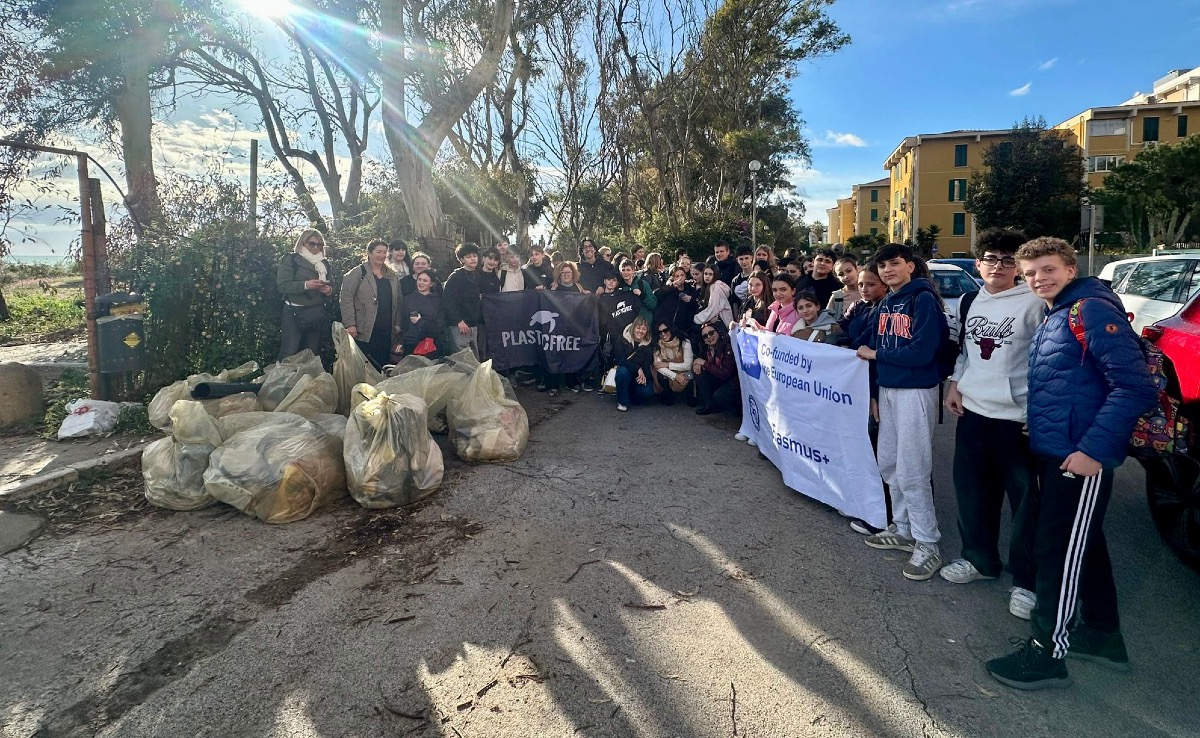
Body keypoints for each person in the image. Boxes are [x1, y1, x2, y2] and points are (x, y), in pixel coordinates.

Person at [985, 237, 1157, 691]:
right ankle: (1102, 636)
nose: (1038, 278)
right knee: (1086, 545)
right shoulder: (1058, 310)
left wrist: (1092, 452)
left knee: (1057, 552)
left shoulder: (1091, 311)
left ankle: (1047, 653)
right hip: (1058, 449)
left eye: (1047, 269)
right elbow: (1067, 383)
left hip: (1079, 457)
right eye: (1030, 273)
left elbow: (1134, 388)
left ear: (1069, 266)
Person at [939, 229, 1044, 623]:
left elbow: (1046, 362)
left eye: (1006, 260)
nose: (997, 267)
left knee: (1025, 504)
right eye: (990, 259)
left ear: (1017, 266)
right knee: (972, 492)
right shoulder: (969, 300)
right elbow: (965, 351)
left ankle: (1026, 580)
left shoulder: (1035, 303)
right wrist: (955, 383)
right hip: (974, 413)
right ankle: (979, 559)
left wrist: (1040, 410)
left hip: (1017, 419)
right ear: (978, 263)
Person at [854, 243, 947, 582]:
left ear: (910, 266)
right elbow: (864, 345)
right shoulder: (886, 303)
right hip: (890, 390)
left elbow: (922, 352)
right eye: (883, 266)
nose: (888, 270)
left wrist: (876, 356)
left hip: (916, 390)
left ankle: (927, 542)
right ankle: (903, 528)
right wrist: (876, 392)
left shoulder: (923, 299)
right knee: (889, 461)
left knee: (913, 468)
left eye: (895, 263)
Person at [340, 238, 404, 370]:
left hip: (386, 328)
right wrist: (350, 324)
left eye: (384, 252)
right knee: (364, 364)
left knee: (382, 363)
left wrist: (397, 324)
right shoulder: (358, 273)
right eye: (378, 252)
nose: (382, 255)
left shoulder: (392, 276)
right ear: (369, 253)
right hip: (364, 328)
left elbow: (399, 300)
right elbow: (346, 297)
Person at [276, 228, 334, 360]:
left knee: (312, 353)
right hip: (294, 312)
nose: (315, 247)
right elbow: (282, 285)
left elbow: (333, 286)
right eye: (312, 243)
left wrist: (328, 290)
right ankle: (281, 380)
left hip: (316, 312)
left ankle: (309, 381)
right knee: (289, 351)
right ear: (302, 243)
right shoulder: (291, 259)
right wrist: (306, 285)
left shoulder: (324, 263)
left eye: (319, 245)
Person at [544, 261, 587, 396]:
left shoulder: (579, 287)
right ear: (559, 274)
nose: (566, 275)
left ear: (573, 274)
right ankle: (553, 385)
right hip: (557, 327)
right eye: (563, 273)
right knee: (554, 354)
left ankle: (572, 382)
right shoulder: (554, 287)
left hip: (573, 327)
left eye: (569, 272)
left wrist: (587, 296)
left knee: (572, 354)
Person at [442, 243, 485, 358]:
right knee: (461, 359)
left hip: (473, 325)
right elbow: (448, 301)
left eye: (474, 256)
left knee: (475, 358)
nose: (472, 259)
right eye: (468, 256)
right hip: (459, 326)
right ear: (462, 259)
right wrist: (458, 321)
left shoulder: (477, 275)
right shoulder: (455, 276)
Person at [400, 270, 450, 359]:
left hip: (432, 344)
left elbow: (439, 325)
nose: (421, 283)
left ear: (431, 284)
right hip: (411, 342)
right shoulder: (407, 299)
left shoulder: (438, 301)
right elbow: (403, 324)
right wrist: (401, 342)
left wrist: (420, 321)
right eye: (419, 279)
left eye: (425, 280)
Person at [693, 321, 739, 416]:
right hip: (718, 376)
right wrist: (697, 363)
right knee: (698, 372)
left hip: (732, 382)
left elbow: (726, 373)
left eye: (711, 333)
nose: (709, 337)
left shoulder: (727, 346)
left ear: (717, 332)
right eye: (705, 336)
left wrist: (704, 363)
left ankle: (735, 408)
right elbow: (701, 360)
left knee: (719, 396)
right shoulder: (706, 348)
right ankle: (709, 405)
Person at [612, 315, 655, 412]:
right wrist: (637, 369)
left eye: (644, 329)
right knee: (622, 372)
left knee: (647, 392)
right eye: (638, 327)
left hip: (638, 376)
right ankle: (622, 402)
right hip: (626, 371)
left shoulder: (648, 343)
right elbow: (620, 359)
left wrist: (643, 377)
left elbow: (648, 363)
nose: (640, 331)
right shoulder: (623, 338)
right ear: (633, 327)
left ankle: (628, 394)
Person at [651, 322, 693, 405]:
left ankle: (691, 394)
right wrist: (676, 376)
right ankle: (668, 393)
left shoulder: (684, 342)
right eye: (660, 332)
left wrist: (667, 365)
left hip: (685, 371)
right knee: (659, 374)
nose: (663, 334)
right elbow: (658, 365)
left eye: (665, 330)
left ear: (671, 329)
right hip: (670, 374)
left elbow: (688, 365)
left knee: (691, 374)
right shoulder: (658, 345)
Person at [653, 266, 699, 339]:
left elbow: (695, 306)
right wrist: (671, 286)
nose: (680, 278)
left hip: (685, 328)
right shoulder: (669, 289)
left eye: (682, 275)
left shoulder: (691, 290)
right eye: (677, 276)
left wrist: (690, 300)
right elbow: (656, 294)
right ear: (673, 278)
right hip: (669, 327)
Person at [694, 264, 734, 332]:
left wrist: (697, 318)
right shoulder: (707, 287)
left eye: (710, 274)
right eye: (705, 274)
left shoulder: (715, 287)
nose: (707, 276)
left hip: (721, 322)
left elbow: (713, 309)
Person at [730, 245, 755, 313]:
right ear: (737, 260)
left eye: (746, 258)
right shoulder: (735, 281)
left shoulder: (758, 276)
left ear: (751, 258)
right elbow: (735, 302)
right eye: (741, 259)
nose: (744, 262)